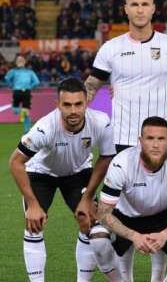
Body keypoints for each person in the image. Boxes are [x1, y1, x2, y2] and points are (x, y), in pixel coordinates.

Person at [8, 77, 116, 282]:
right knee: (34, 223)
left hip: (78, 172)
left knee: (89, 222)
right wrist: (32, 203)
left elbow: (106, 157)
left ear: (86, 102)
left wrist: (89, 196)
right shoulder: (45, 128)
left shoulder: (101, 122)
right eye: (66, 105)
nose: (73, 110)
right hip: (41, 173)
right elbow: (15, 162)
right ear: (58, 104)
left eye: (78, 104)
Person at [84, 0, 167, 157]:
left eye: (144, 4)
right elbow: (90, 89)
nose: (140, 10)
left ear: (153, 9)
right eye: (134, 5)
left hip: (162, 139)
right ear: (126, 9)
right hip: (121, 140)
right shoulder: (110, 48)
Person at [89, 116, 167, 282]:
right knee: (97, 237)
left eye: (161, 139)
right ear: (140, 141)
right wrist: (134, 236)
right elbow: (104, 213)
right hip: (126, 217)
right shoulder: (121, 163)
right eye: (150, 138)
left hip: (164, 217)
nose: (155, 145)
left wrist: (165, 234)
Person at [5, 55, 40, 133]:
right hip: (27, 92)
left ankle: (21, 112)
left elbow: (6, 78)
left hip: (17, 91)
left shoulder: (13, 71)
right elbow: (37, 82)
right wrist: (30, 87)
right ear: (24, 62)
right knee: (26, 111)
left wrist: (11, 85)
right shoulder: (30, 72)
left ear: (17, 62)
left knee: (14, 110)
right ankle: (27, 130)